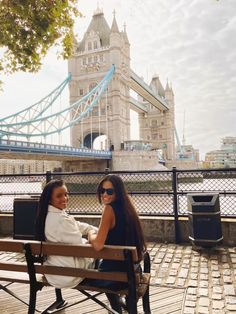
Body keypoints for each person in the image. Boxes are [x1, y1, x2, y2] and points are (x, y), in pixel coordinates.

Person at [88, 174, 146, 313]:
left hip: (113, 277)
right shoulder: (129, 209)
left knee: (99, 269)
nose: (104, 194)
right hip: (133, 272)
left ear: (117, 192)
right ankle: (118, 308)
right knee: (106, 267)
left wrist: (90, 234)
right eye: (102, 190)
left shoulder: (109, 209)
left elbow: (97, 245)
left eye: (109, 191)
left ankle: (116, 309)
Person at [35, 179, 98, 289]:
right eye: (59, 196)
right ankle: (116, 302)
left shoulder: (45, 216)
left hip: (52, 274)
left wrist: (92, 229)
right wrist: (91, 236)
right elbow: (82, 250)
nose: (64, 198)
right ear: (49, 199)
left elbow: (76, 225)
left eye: (66, 194)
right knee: (105, 260)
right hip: (70, 275)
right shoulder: (62, 220)